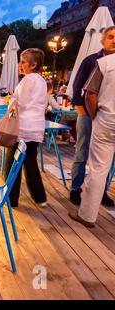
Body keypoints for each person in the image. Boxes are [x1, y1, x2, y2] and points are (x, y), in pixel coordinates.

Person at [69, 26, 115, 206]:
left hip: (109, 118)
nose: (114, 40)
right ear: (103, 40)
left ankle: (100, 191)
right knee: (82, 151)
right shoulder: (91, 61)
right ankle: (76, 188)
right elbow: (78, 90)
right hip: (89, 115)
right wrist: (86, 114)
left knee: (107, 158)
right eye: (110, 37)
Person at [3, 48, 48, 208]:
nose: (19, 64)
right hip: (36, 128)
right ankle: (40, 197)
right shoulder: (42, 81)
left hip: (23, 128)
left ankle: (10, 198)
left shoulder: (28, 80)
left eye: (23, 61)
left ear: (33, 64)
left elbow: (20, 104)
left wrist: (9, 99)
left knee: (11, 163)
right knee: (30, 163)